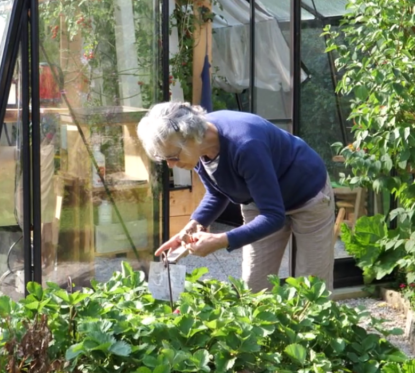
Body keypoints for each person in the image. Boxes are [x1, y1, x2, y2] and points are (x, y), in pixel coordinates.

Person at [137, 102, 336, 292]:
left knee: (311, 285)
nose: (170, 165)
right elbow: (217, 192)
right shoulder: (197, 148)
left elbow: (273, 216)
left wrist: (221, 240)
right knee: (255, 285)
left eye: (172, 157)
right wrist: (194, 224)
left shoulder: (246, 144)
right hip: (259, 200)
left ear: (190, 138)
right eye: (165, 160)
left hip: (307, 195)